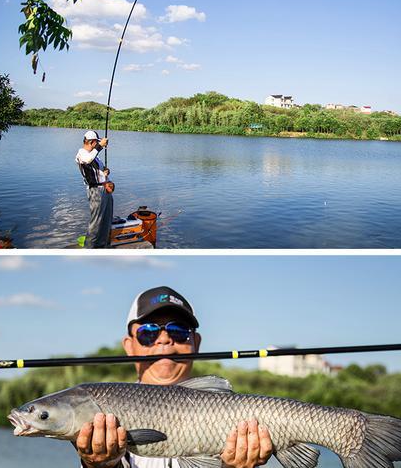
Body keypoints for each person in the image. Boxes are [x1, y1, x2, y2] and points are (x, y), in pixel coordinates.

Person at [75, 286, 274, 468]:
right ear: (129, 345)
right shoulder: (103, 407)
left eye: (178, 331)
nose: (164, 339)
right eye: (148, 332)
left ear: (196, 342)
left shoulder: (228, 406)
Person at [75, 130, 114, 248]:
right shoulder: (82, 154)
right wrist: (100, 146)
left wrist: (105, 171)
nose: (97, 145)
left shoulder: (95, 156)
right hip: (95, 191)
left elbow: (99, 170)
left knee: (107, 220)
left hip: (105, 189)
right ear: (91, 142)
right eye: (96, 143)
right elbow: (87, 160)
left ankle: (102, 246)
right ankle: (89, 248)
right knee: (96, 222)